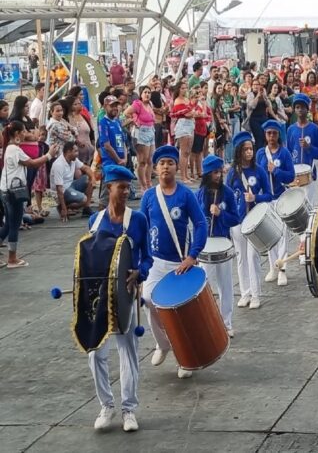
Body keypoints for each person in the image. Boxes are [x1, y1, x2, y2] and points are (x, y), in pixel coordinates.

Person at [86, 165, 151, 432]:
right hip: (99, 297)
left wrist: (140, 272)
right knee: (95, 352)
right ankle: (106, 405)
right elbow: (87, 259)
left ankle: (128, 409)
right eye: (121, 186)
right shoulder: (95, 221)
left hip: (126, 295)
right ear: (108, 187)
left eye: (128, 186)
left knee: (128, 352)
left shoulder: (137, 221)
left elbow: (147, 257)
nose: (126, 191)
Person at [140, 145, 207, 379]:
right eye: (161, 163)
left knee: (181, 313)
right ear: (155, 169)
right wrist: (140, 260)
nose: (166, 167)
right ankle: (164, 344)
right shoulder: (149, 196)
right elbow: (141, 228)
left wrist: (193, 255)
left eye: (170, 162)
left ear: (177, 167)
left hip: (180, 263)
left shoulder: (185, 194)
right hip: (155, 262)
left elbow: (200, 224)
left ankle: (185, 356)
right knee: (148, 299)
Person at [0, 122, 58, 268]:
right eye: (24, 130)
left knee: (8, 225)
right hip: (14, 192)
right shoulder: (14, 149)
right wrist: (49, 155)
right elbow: (32, 163)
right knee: (14, 225)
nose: (26, 132)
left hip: (5, 190)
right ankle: (12, 259)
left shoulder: (10, 148)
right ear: (18, 133)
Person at [227, 132, 273, 309]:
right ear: (238, 152)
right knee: (241, 258)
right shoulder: (232, 173)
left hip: (254, 221)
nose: (249, 152)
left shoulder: (258, 170)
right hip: (237, 221)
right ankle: (245, 292)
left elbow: (269, 195)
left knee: (252, 257)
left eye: (250, 148)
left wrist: (255, 198)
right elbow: (227, 197)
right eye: (245, 149)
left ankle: (256, 294)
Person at [196, 155, 239, 337]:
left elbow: (236, 218)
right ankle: (206, 322)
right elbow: (196, 222)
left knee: (226, 285)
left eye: (220, 172)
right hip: (206, 246)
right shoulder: (199, 194)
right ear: (207, 174)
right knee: (206, 287)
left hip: (223, 243)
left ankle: (226, 322)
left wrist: (221, 213)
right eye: (215, 172)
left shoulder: (227, 193)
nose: (219, 175)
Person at [257, 120, 295, 286]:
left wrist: (276, 171)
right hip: (267, 199)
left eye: (274, 133)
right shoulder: (260, 154)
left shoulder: (284, 153)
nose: (271, 136)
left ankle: (282, 268)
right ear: (265, 135)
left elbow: (291, 176)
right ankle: (273, 266)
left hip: (281, 197)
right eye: (268, 133)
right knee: (270, 235)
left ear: (278, 135)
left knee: (282, 234)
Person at [123, 86, 156, 194]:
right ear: (141, 94)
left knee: (150, 160)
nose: (147, 94)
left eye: (149, 92)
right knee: (142, 160)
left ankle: (149, 181)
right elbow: (126, 113)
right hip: (141, 132)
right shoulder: (138, 104)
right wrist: (134, 121)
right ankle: (143, 185)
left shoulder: (150, 104)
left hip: (151, 130)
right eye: (145, 92)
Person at [50, 141, 95, 220]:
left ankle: (86, 209)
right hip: (63, 191)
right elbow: (59, 189)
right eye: (75, 151)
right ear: (68, 152)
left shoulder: (73, 159)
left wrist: (93, 179)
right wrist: (64, 208)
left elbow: (86, 168)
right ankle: (63, 207)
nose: (78, 153)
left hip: (71, 185)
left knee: (88, 179)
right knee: (84, 199)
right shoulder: (58, 165)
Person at [97, 96, 127, 207]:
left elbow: (123, 142)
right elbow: (106, 145)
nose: (115, 108)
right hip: (110, 163)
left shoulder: (117, 122)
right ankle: (101, 220)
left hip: (120, 163)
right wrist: (118, 160)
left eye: (116, 105)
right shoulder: (103, 122)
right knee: (106, 196)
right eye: (112, 106)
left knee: (119, 193)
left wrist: (125, 158)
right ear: (105, 106)